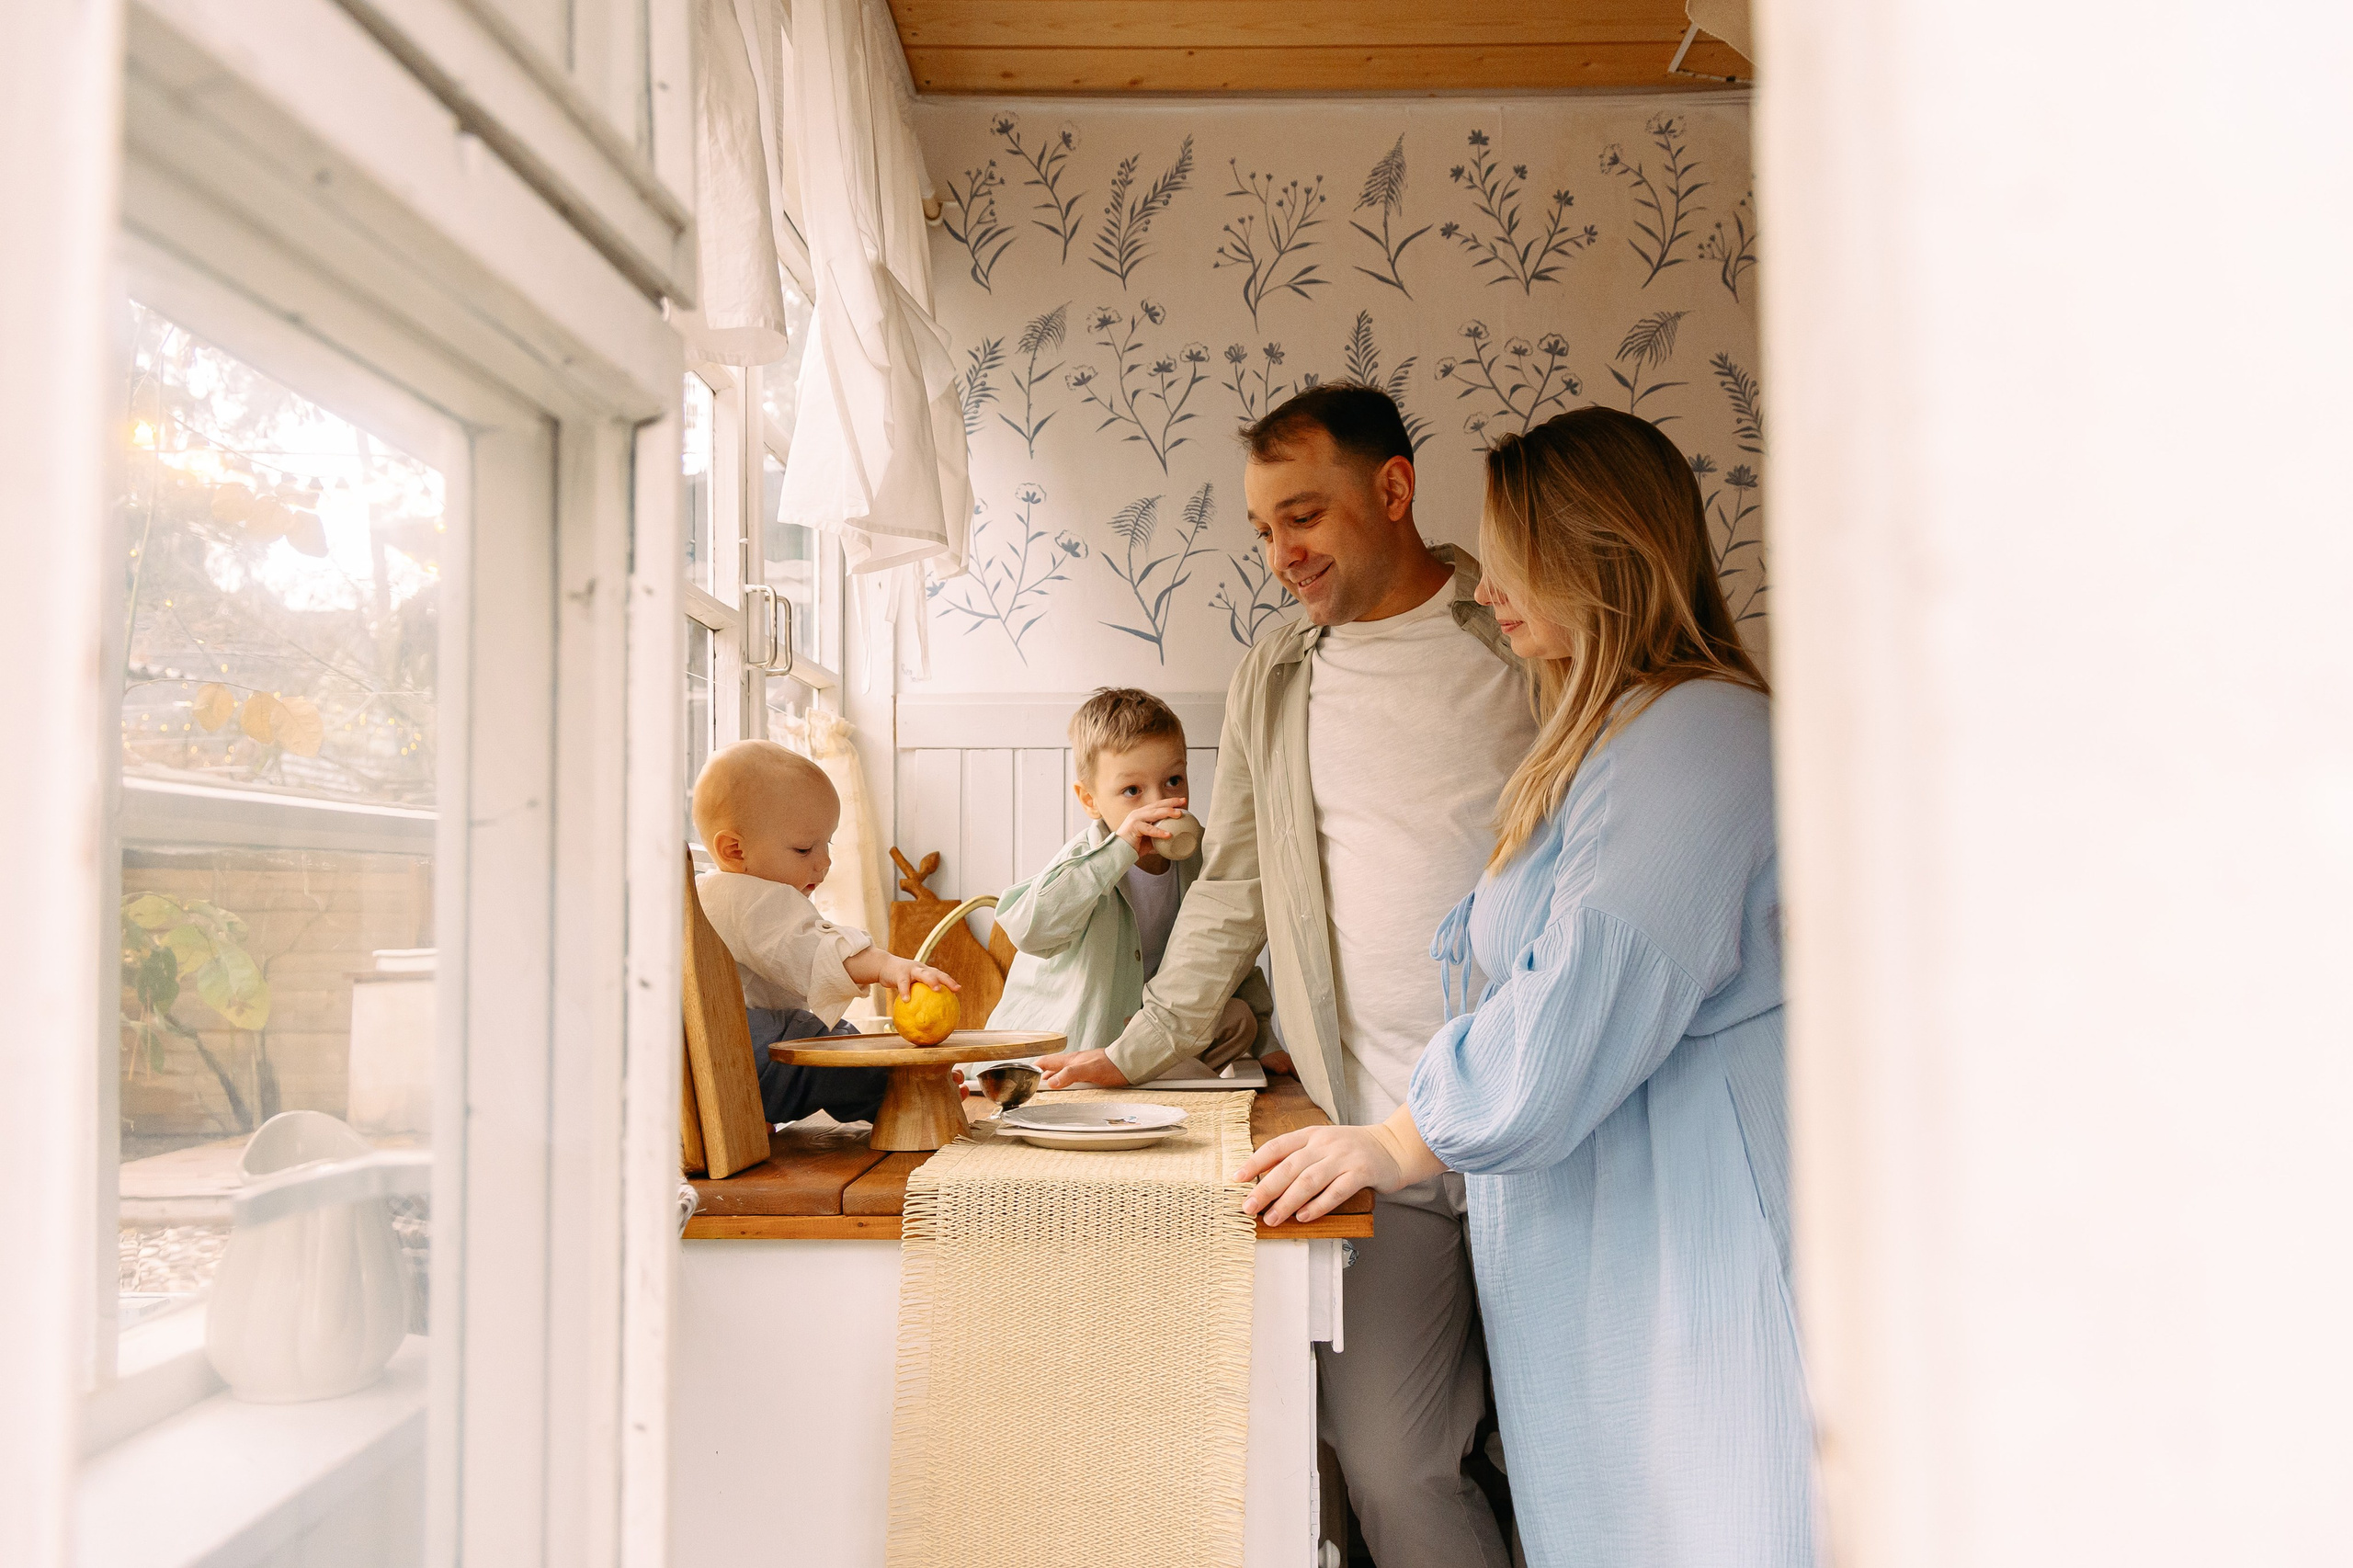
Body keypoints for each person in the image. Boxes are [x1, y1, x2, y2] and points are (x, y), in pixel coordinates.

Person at [1238, 407, 1814, 1567]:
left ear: (1592, 555)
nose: (1485, 578)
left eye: (1509, 550)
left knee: (1713, 1519)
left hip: (1689, 1234)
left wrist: (1399, 1136)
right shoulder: (1616, 735)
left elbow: (1566, 1020)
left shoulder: (1700, 743)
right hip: (1607, 1227)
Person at [1038, 384, 1535, 1568]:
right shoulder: (1278, 670)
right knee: (1391, 1465)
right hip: (1378, 1137)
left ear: (1394, 491)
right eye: (1263, 527)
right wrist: (1135, 1045)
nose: (1280, 552)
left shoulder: (1515, 631)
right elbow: (1234, 885)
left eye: (1301, 514)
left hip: (1545, 1126)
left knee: (1569, 1455)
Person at [990, 687, 1273, 1070]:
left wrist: (1266, 1044)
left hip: (1143, 1039)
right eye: (1132, 791)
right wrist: (1117, 851)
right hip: (1072, 1037)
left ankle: (1163, 1077)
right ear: (1090, 800)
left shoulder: (1204, 859)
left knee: (1238, 1017)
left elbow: (1230, 952)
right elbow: (1030, 931)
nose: (1158, 804)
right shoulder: (1085, 861)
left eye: (1173, 781)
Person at [692, 740, 958, 1124]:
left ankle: (905, 1090)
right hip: (742, 1059)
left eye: (827, 843)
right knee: (836, 1047)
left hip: (708, 1064)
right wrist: (885, 965)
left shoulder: (705, 893)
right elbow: (814, 950)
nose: (825, 862)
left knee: (829, 1042)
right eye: (803, 850)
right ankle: (910, 1097)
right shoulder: (751, 898)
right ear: (735, 850)